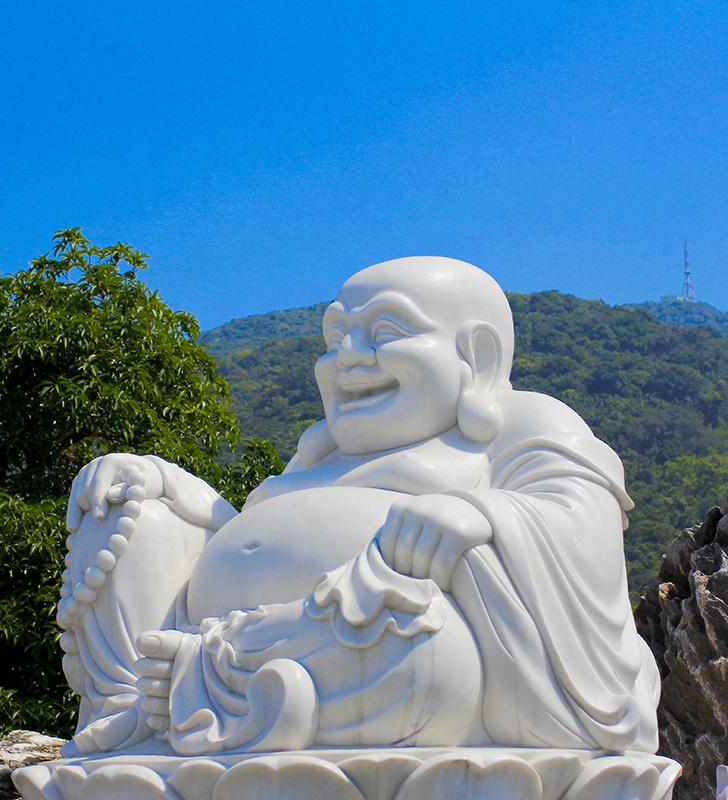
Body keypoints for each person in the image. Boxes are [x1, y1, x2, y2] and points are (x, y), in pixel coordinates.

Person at [60, 256, 659, 757]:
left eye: (385, 332)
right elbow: (248, 542)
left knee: (423, 641)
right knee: (120, 504)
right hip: (277, 643)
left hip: (384, 657)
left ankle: (201, 684)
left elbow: (585, 527)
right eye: (335, 337)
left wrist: (485, 516)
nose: (348, 354)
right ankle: (136, 706)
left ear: (477, 358)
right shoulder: (318, 451)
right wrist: (168, 483)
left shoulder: (517, 423)